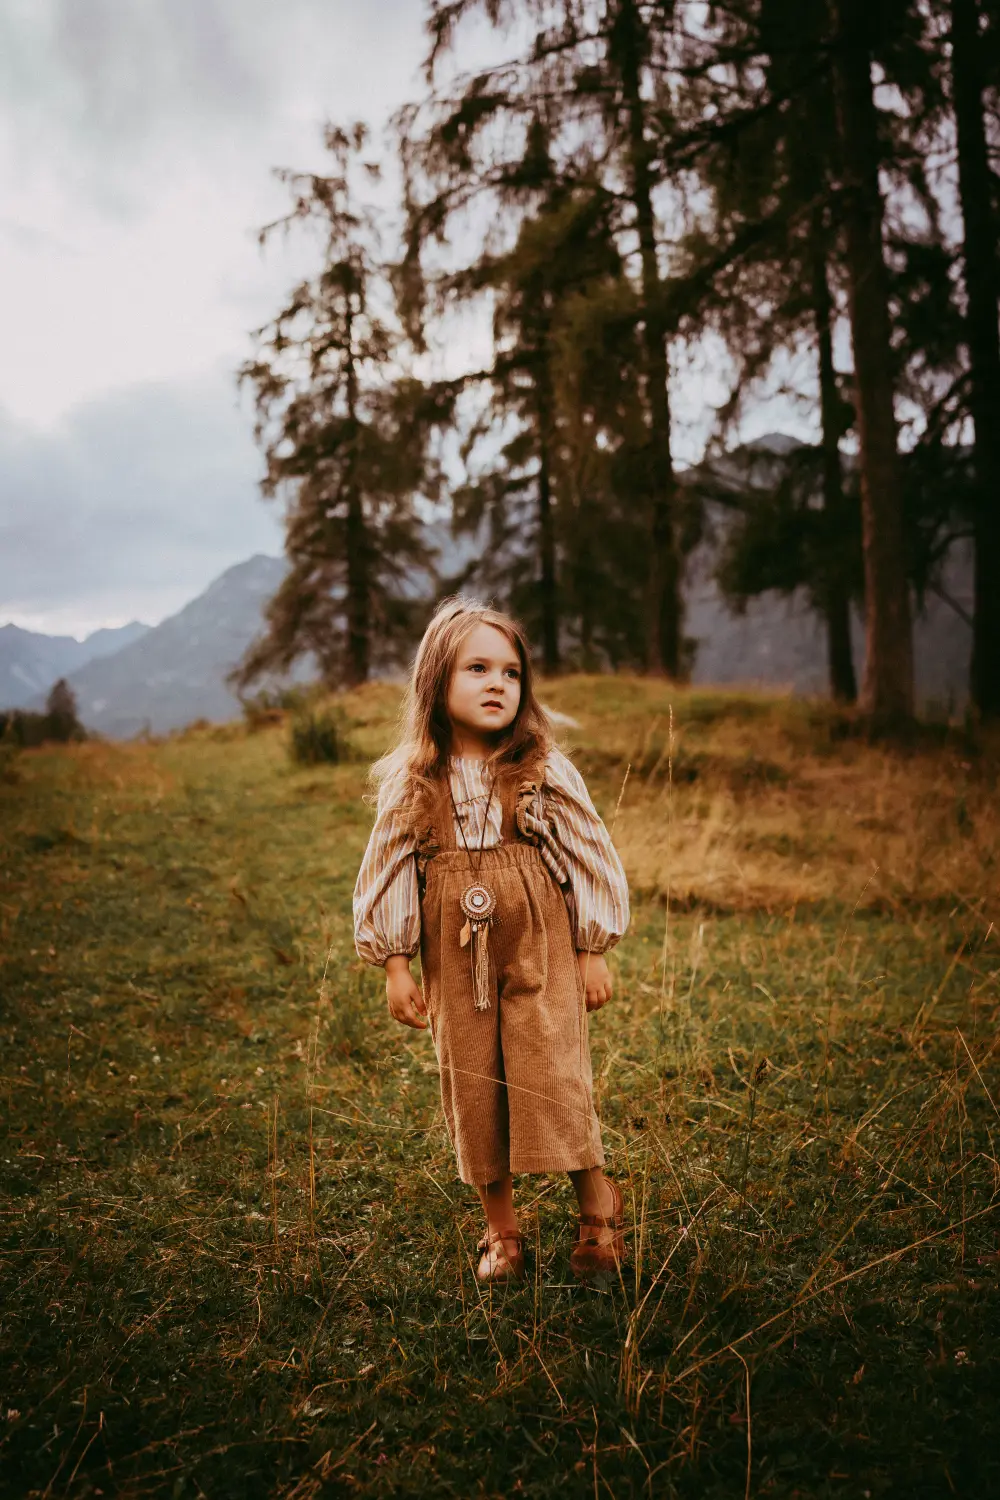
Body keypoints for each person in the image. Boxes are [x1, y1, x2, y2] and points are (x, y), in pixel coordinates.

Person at [352, 596, 631, 1283]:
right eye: (477, 667)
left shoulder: (542, 769)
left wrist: (592, 945)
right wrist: (395, 963)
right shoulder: (414, 783)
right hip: (454, 950)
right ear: (436, 683)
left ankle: (596, 1198)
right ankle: (501, 1230)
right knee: (472, 1081)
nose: (497, 683)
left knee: (550, 1067)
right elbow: (386, 869)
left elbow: (590, 852)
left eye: (510, 671)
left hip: (539, 938)